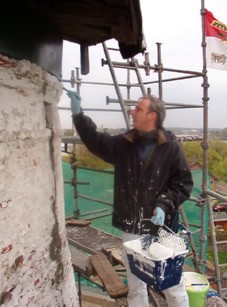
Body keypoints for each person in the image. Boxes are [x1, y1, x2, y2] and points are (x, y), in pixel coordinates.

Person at [68, 91, 193, 307]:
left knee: (172, 285)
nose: (131, 112)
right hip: (132, 227)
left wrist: (163, 204)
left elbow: (183, 183)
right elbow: (96, 141)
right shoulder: (124, 144)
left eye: (137, 109)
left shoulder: (170, 147)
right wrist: (79, 115)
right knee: (136, 285)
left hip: (162, 228)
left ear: (152, 116)